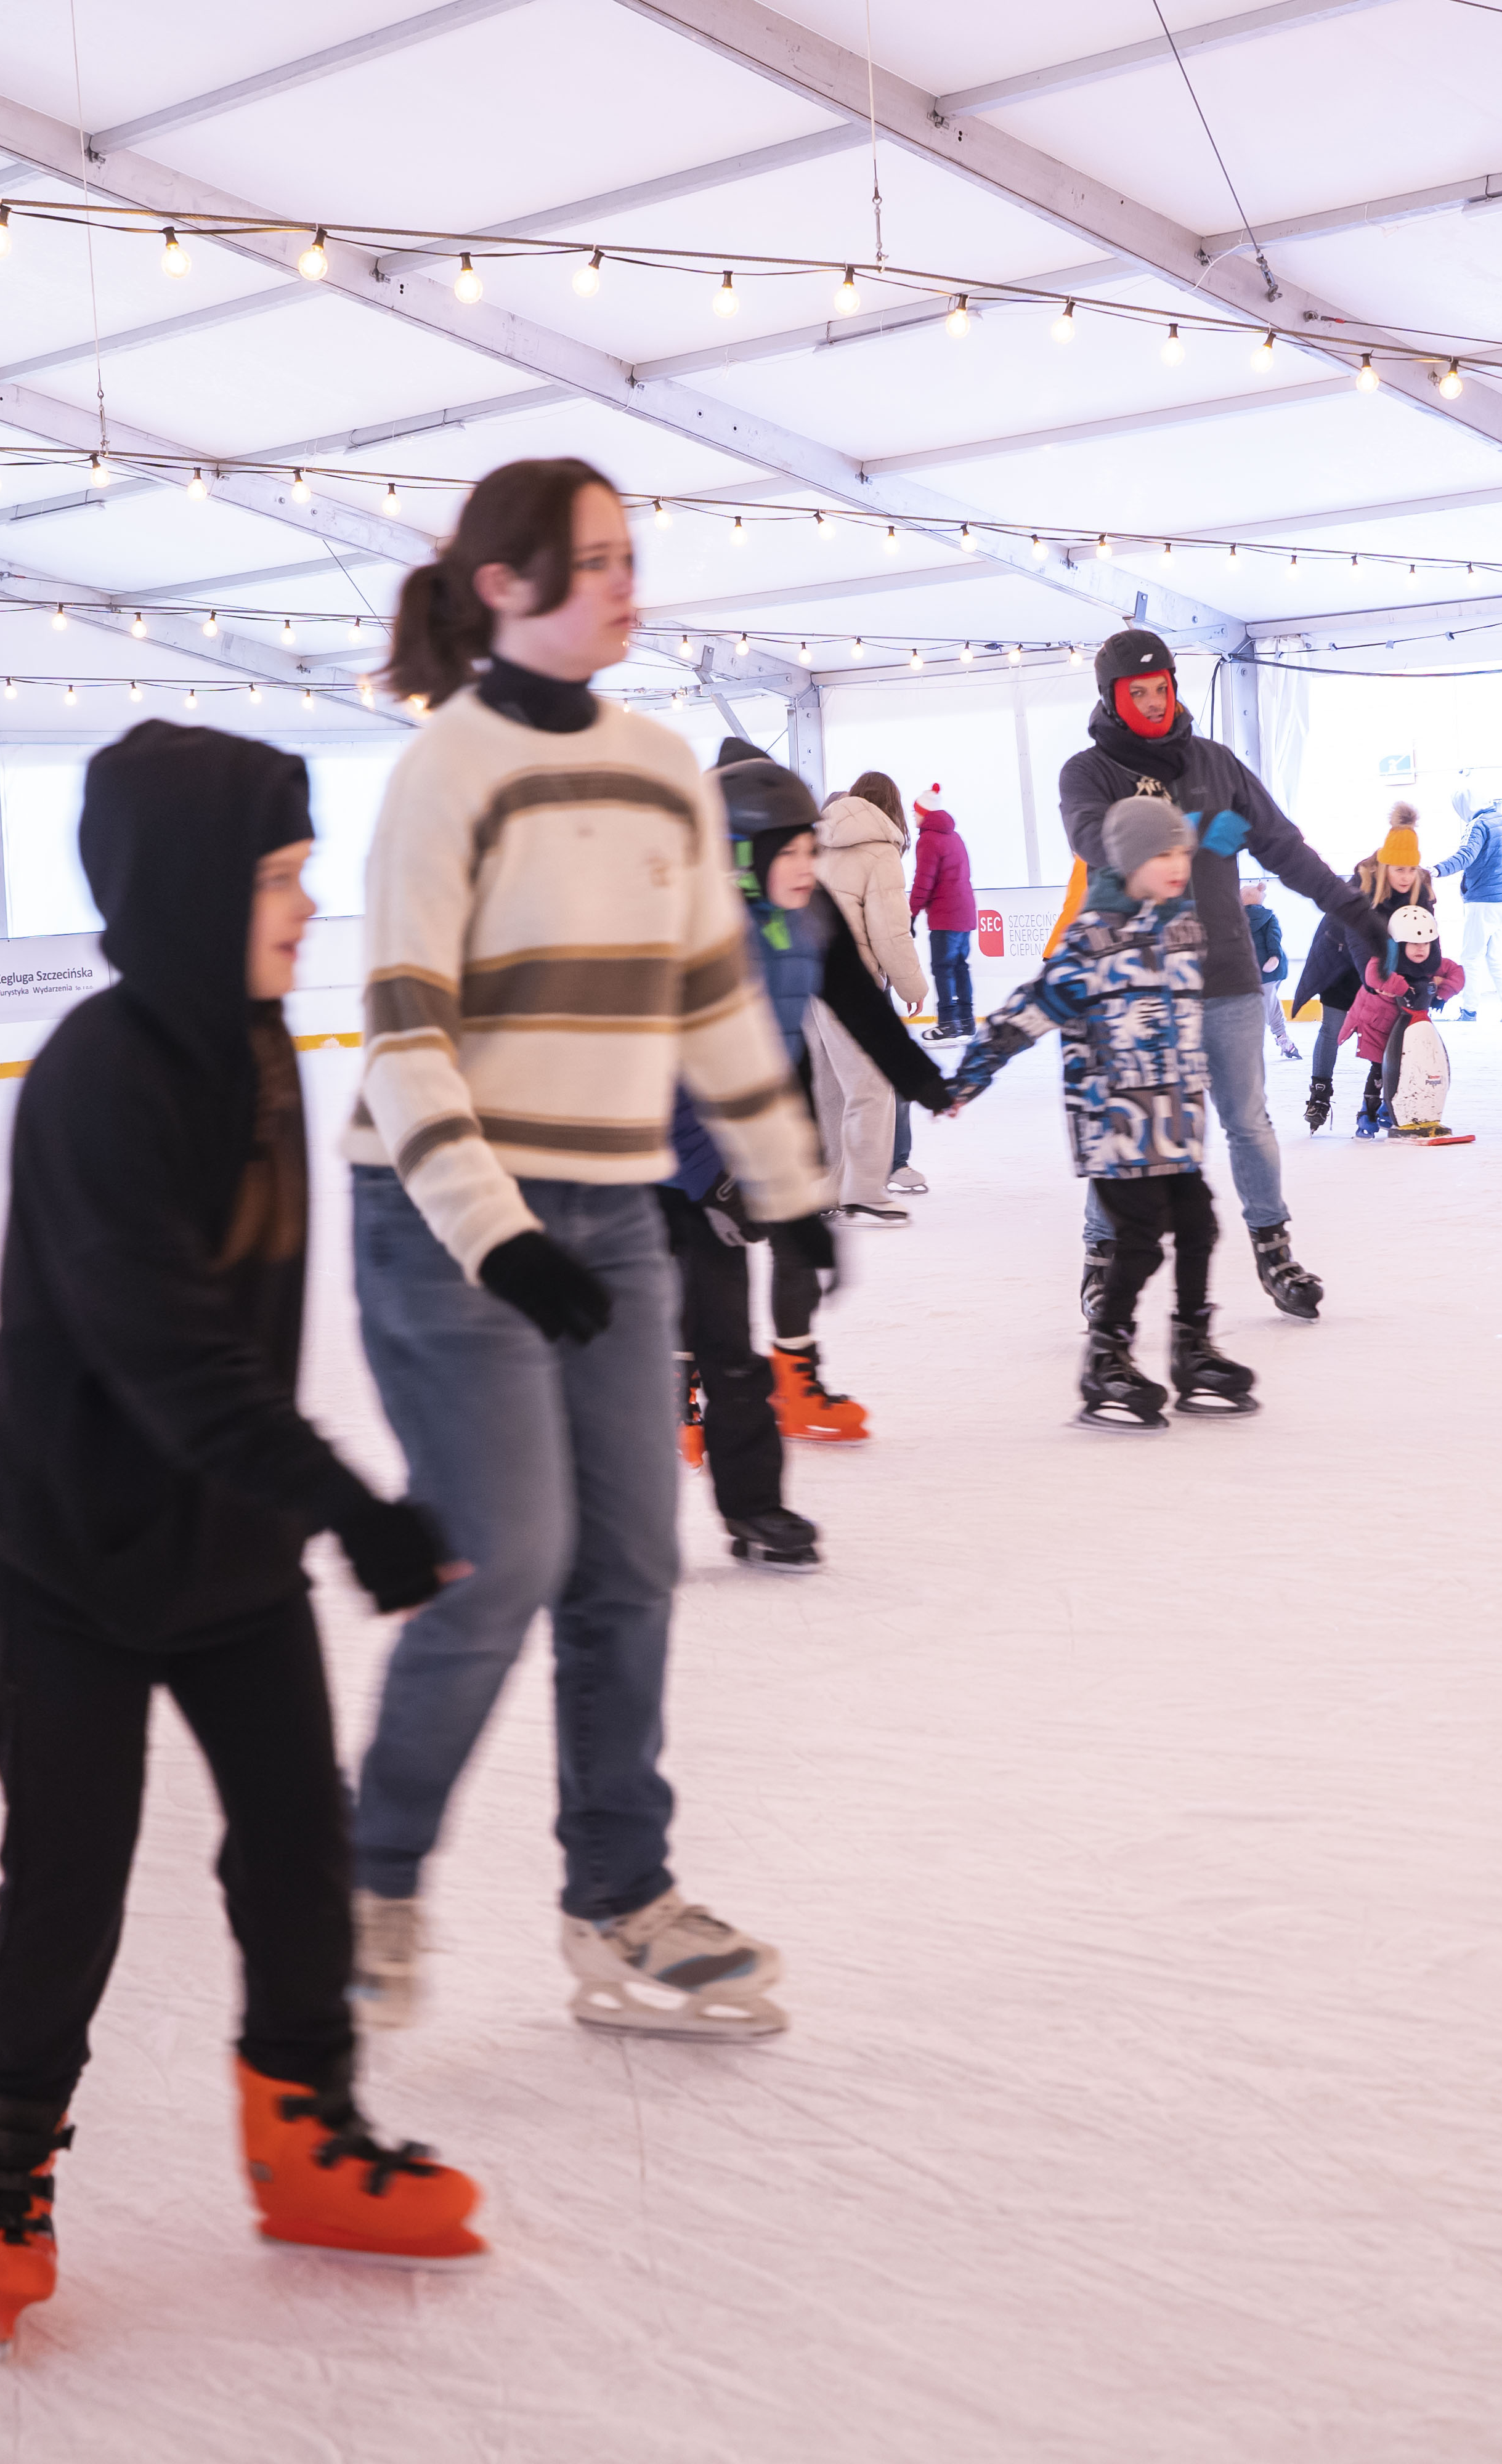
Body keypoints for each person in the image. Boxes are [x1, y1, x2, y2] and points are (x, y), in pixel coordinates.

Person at [0, 720, 485, 2359]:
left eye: (311, 873)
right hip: (68, 1556)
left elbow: (242, 1346)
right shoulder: (97, 1082)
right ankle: (6, 2160)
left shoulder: (261, 1051)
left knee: (298, 1849)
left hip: (228, 1546)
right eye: (279, 877)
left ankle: (303, 2137)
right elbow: (169, 1346)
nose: (307, 907)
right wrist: (353, 1509)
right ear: (189, 888)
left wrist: (299, 1508)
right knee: (71, 1871)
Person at [343, 456, 834, 2043]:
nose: (633, 585)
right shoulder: (447, 773)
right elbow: (406, 1038)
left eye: (633, 556)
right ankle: (366, 1881)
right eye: (598, 563)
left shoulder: (660, 762)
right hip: (443, 1214)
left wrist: (792, 1187)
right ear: (505, 585)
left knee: (630, 1564)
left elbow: (707, 999)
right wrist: (497, 1239)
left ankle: (619, 1900)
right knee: (512, 1556)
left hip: (614, 1212)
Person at [667, 743, 951, 1566]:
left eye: (811, 849)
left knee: (753, 1316)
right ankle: (652, 1467)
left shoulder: (810, 916)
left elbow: (863, 1012)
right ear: (740, 863)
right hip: (662, 1158)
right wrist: (709, 1181)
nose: (808, 867)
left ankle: (756, 1510)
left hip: (750, 1125)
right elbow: (658, 1078)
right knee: (692, 1342)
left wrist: (926, 1086)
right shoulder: (688, 940)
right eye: (790, 853)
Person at [1060, 630, 1379, 1323]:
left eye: (1160, 688)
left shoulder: (1216, 763)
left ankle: (1274, 1249)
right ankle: (1101, 1257)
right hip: (1142, 980)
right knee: (1133, 1125)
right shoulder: (1087, 772)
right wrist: (1174, 826)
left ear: (1175, 687)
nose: (1151, 702)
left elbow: (1284, 848)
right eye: (1135, 693)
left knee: (1247, 1121)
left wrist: (1348, 906)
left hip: (1227, 975)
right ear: (1112, 701)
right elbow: (1092, 838)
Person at [950, 795, 1256, 1429]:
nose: (1178, 865)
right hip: (1115, 1126)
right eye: (1162, 855)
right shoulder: (1091, 944)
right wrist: (972, 1072)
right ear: (1129, 861)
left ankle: (1192, 1349)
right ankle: (1106, 1356)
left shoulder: (1183, 932)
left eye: (1182, 852)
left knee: (1200, 1226)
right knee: (1140, 1245)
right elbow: (1032, 1007)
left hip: (1174, 1125)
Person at [808, 771, 929, 1225]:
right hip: (848, 983)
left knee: (830, 1090)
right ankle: (864, 1190)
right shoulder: (880, 849)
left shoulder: (819, 839)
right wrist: (912, 986)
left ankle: (824, 1189)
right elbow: (891, 932)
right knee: (873, 1082)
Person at [1299, 824, 1430, 1133]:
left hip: (1383, 969)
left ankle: (1372, 1104)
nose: (1406, 876)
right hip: (1341, 967)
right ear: (1384, 866)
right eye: (1399, 869)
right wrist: (1377, 982)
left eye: (1412, 869)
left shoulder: (1417, 891)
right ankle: (1320, 1095)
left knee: (1386, 1034)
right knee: (1332, 1029)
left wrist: (1429, 977)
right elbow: (1359, 945)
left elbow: (1427, 933)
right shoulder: (1360, 891)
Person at [1342, 907, 1464, 1140]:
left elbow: (1457, 973)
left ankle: (1391, 1109)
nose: (1421, 949)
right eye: (1413, 944)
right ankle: (1367, 1114)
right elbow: (1374, 975)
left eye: (1426, 944)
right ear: (1398, 944)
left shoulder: (1433, 963)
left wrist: (1443, 990)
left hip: (1408, 1027)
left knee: (1409, 1066)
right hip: (1377, 1025)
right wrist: (1402, 987)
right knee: (1382, 1068)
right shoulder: (1386, 961)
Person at [1432, 793, 1502, 1022]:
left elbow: (1466, 856)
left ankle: (1470, 1010)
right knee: (1497, 957)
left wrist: (1437, 870)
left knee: (1471, 956)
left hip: (1485, 900)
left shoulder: (1478, 825)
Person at [911, 782, 979, 1039]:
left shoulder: (928, 839)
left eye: (916, 811)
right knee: (961, 967)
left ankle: (948, 1023)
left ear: (924, 813)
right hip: (965, 913)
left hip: (945, 916)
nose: (914, 815)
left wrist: (912, 912)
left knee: (943, 968)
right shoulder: (954, 836)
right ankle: (966, 1021)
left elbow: (923, 881)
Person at [1240, 879, 1297, 1060]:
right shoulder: (1267, 917)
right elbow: (1275, 938)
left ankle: (1282, 1039)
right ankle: (1281, 1039)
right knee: (1268, 1005)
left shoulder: (1236, 920)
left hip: (1261, 971)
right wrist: (1275, 957)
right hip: (1268, 970)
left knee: (1267, 1006)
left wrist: (1274, 957)